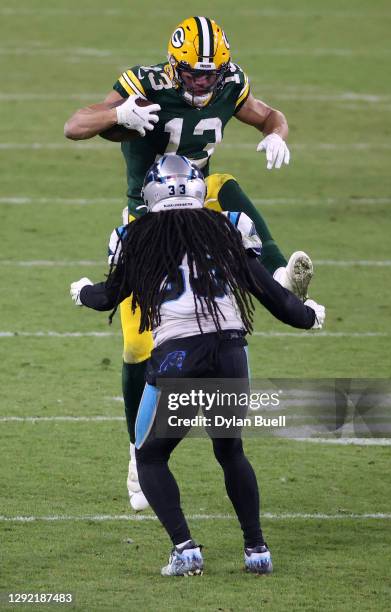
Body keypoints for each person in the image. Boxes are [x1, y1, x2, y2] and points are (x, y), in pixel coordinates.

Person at [64, 16, 314, 510]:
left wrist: (278, 132)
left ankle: (282, 272)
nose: (201, 82)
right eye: (193, 74)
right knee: (138, 348)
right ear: (175, 66)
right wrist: (119, 117)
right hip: (149, 223)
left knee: (221, 182)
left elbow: (268, 115)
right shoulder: (146, 82)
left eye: (209, 74)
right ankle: (138, 450)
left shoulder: (232, 82)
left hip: (197, 209)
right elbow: (75, 125)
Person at [70, 155, 325, 576]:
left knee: (149, 456)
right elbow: (265, 290)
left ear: (151, 193)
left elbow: (107, 296)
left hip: (177, 356)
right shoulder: (229, 227)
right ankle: (256, 549)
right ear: (197, 188)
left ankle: (185, 548)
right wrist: (307, 316)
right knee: (230, 449)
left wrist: (81, 291)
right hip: (229, 351)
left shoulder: (134, 237)